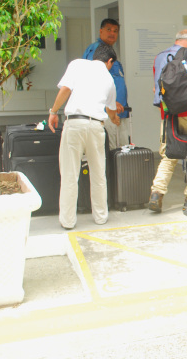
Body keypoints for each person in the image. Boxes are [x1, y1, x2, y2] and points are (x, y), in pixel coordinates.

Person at [48, 44, 120, 230]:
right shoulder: (109, 78)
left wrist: (53, 111)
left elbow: (65, 90)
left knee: (70, 174)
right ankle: (101, 216)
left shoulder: (77, 64)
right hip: (96, 126)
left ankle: (68, 221)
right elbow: (111, 110)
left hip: (75, 123)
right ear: (109, 61)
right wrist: (115, 118)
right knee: (98, 173)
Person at [149, 29, 187, 214]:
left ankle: (156, 194)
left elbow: (155, 88)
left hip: (167, 113)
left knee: (169, 154)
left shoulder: (159, 57)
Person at [82, 18, 129, 150]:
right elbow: (93, 79)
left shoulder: (110, 51)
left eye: (115, 31)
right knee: (112, 150)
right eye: (108, 30)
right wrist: (112, 102)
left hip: (118, 111)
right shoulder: (97, 50)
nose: (112, 34)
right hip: (106, 113)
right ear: (101, 31)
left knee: (122, 149)